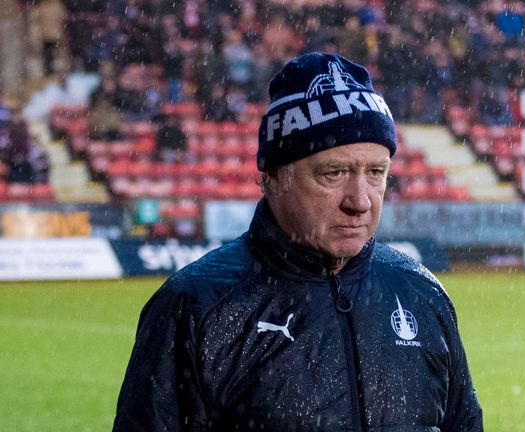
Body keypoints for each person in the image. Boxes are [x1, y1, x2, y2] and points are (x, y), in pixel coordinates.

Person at [114, 52, 483, 431]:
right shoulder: (194, 307)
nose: (360, 201)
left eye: (376, 172)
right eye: (334, 172)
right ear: (274, 175)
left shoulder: (422, 295)